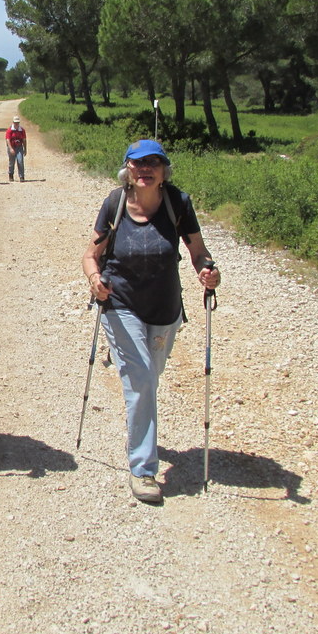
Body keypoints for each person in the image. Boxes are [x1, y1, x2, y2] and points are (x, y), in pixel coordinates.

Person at [81, 139, 220, 504]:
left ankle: (130, 366)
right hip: (120, 302)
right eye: (138, 163)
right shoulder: (114, 204)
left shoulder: (178, 203)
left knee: (149, 377)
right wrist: (95, 281)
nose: (146, 169)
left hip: (164, 307)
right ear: (127, 169)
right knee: (142, 379)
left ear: (164, 171)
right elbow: (90, 256)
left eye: (154, 163)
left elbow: (197, 251)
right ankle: (143, 470)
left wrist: (207, 271)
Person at [6, 115, 27, 181]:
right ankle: (11, 175)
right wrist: (10, 148)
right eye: (15, 122)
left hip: (19, 147)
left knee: (20, 161)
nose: (16, 124)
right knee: (11, 162)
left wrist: (25, 149)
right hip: (12, 146)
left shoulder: (22, 130)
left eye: (17, 122)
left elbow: (24, 140)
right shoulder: (10, 130)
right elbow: (8, 140)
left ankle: (21, 176)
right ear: (13, 122)